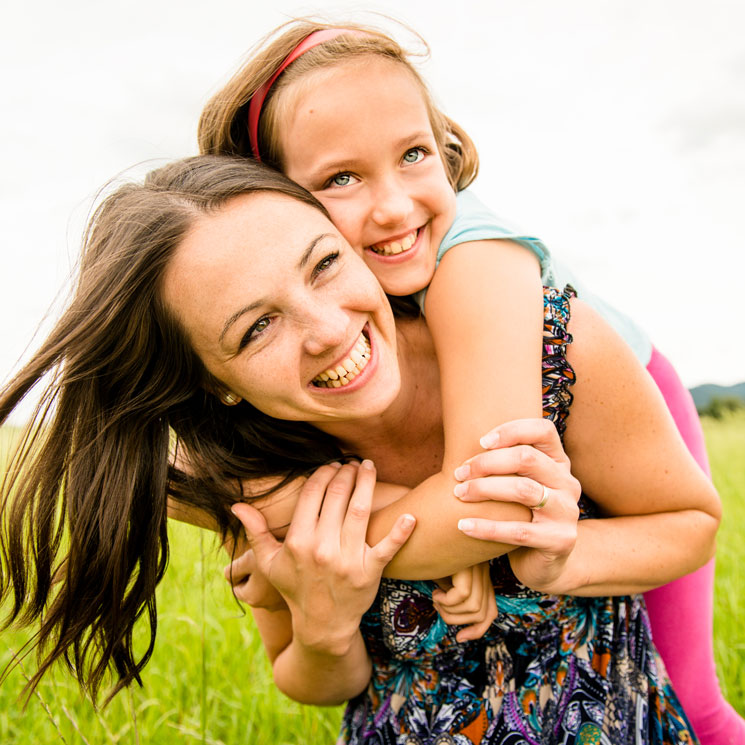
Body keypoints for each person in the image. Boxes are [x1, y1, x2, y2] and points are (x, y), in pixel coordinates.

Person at [0, 156, 719, 741]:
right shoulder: (252, 474)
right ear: (214, 383)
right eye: (256, 328)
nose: (326, 328)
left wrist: (562, 558)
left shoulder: (544, 350)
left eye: (322, 265)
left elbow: (688, 525)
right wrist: (322, 623)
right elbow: (310, 678)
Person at [197, 20, 744, 742]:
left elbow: (482, 501)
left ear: (445, 147)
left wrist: (307, 514)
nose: (392, 205)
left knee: (691, 697)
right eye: (340, 178)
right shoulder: (301, 347)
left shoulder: (473, 262)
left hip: (618, 395)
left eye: (414, 154)